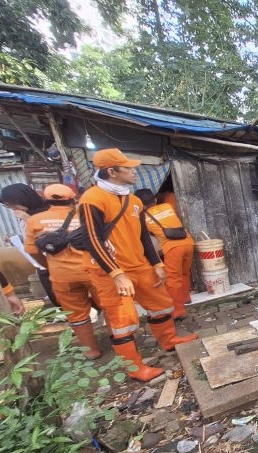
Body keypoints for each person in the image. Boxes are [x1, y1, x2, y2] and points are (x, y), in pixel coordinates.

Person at [77, 148, 197, 381]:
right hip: (109, 270)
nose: (134, 171)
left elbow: (143, 236)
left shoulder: (132, 200)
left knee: (161, 304)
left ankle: (169, 341)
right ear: (111, 171)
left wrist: (156, 264)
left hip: (139, 265)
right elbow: (91, 239)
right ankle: (134, 368)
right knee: (123, 321)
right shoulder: (92, 199)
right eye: (128, 168)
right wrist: (116, 273)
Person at [22, 184, 103, 358]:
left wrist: (49, 265)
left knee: (77, 314)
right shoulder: (85, 215)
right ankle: (120, 342)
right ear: (73, 198)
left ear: (46, 200)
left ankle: (91, 351)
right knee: (109, 306)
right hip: (92, 269)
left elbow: (31, 251)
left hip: (61, 275)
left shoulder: (35, 220)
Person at [135, 189, 194, 320]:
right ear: (155, 200)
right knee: (184, 273)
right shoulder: (167, 206)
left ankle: (178, 310)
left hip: (172, 247)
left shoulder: (143, 218)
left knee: (172, 279)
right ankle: (185, 297)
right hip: (188, 242)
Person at [0, 183, 59, 306]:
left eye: (13, 204)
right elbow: (29, 237)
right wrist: (15, 239)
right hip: (41, 265)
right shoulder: (23, 216)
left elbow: (53, 236)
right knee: (56, 299)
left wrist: (28, 219)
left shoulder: (49, 212)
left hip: (57, 263)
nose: (12, 209)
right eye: (8, 206)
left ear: (23, 199)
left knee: (71, 301)